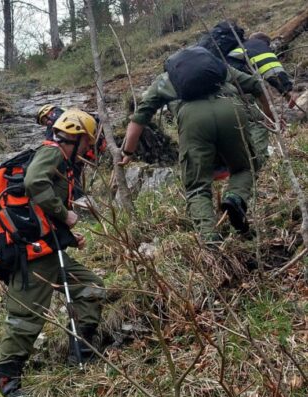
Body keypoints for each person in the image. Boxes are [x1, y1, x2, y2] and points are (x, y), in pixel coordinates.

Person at [0, 109, 106, 397]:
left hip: (49, 250)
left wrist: (69, 234)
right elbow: (34, 183)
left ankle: (81, 353)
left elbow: (42, 211)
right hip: (31, 256)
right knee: (26, 318)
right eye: (86, 142)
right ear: (77, 136)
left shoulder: (62, 161)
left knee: (90, 287)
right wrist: (65, 214)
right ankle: (7, 380)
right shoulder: (52, 152)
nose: (87, 150)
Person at [120, 45, 272, 240]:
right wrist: (269, 116)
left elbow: (138, 120)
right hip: (230, 110)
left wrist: (128, 153)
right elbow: (256, 85)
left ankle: (209, 237)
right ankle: (235, 197)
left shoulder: (164, 80)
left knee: (198, 186)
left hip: (193, 120)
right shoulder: (219, 69)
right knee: (245, 167)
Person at [227, 31, 297, 169]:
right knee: (258, 121)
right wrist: (288, 93)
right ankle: (255, 165)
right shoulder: (259, 46)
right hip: (240, 87)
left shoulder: (238, 49)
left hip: (223, 88)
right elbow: (273, 71)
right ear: (266, 43)